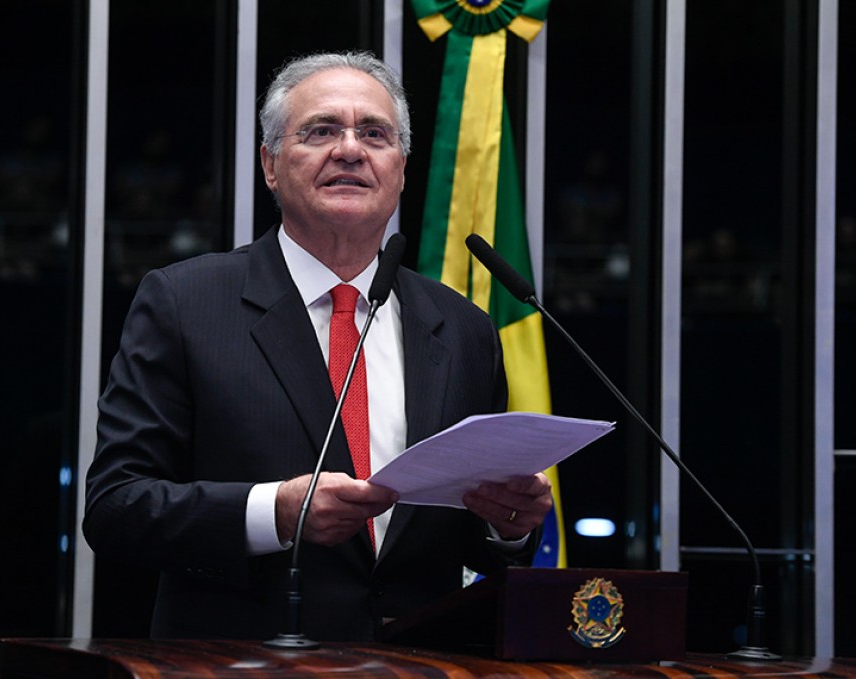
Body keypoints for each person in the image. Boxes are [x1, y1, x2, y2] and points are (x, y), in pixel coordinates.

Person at [83, 51, 553, 642]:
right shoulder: (185, 304)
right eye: (321, 131)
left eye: (375, 134)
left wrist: (508, 525)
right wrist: (275, 512)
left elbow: (474, 546)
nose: (351, 149)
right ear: (270, 164)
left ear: (401, 168)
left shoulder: (463, 329)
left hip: (419, 664)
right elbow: (117, 507)